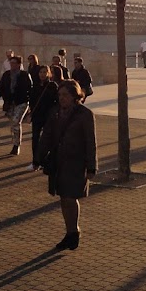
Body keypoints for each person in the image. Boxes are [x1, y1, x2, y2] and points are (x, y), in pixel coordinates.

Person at [38, 79, 97, 251]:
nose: (62, 98)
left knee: (71, 197)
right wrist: (38, 157)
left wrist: (92, 166)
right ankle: (70, 232)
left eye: (65, 95)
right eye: (60, 95)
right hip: (59, 161)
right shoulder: (55, 112)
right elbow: (47, 135)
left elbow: (90, 141)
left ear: (74, 95)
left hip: (77, 162)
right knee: (63, 197)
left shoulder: (85, 114)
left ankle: (74, 231)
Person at [0, 55, 32, 156]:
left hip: (21, 102)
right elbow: (1, 88)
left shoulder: (24, 75)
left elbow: (30, 89)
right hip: (10, 103)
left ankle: (16, 145)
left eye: (14, 63)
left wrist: (31, 104)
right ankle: (15, 140)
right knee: (13, 124)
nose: (12, 65)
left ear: (18, 64)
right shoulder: (6, 75)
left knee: (16, 121)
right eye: (11, 63)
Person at [28, 65, 58, 172]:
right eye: (40, 72)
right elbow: (31, 100)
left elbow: (56, 101)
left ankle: (45, 160)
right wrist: (30, 112)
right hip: (37, 116)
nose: (42, 74)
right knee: (35, 138)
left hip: (48, 116)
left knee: (47, 139)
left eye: (44, 72)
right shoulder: (35, 85)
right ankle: (35, 162)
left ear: (49, 73)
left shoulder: (52, 85)